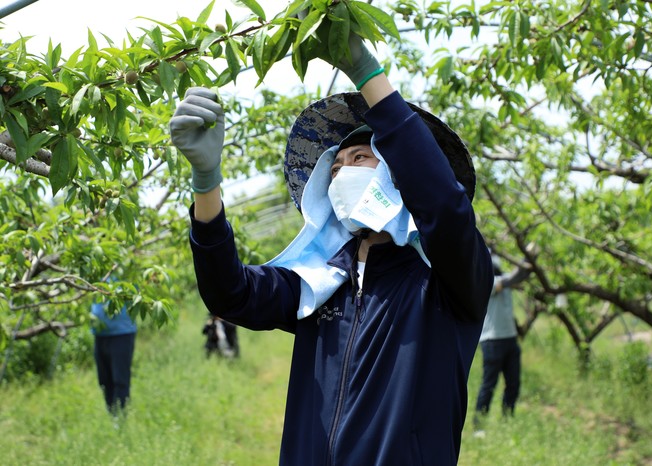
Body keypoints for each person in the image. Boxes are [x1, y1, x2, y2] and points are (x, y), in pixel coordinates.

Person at [170, 32, 493, 465]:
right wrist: (206, 184)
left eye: (360, 159)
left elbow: (444, 208)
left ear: (398, 176)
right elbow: (231, 293)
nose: (343, 174)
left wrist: (366, 72)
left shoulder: (445, 284)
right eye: (335, 167)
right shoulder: (320, 283)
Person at [474, 254, 532, 428]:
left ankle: (508, 419)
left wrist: (531, 257)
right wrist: (526, 258)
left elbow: (520, 276)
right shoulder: (488, 283)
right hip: (492, 340)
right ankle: (479, 425)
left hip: (510, 339)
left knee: (513, 383)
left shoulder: (505, 280)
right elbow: (513, 278)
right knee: (489, 384)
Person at [91, 299, 137, 416]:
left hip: (122, 332)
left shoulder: (128, 284)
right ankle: (112, 414)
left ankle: (120, 417)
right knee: (104, 380)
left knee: (120, 380)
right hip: (99, 332)